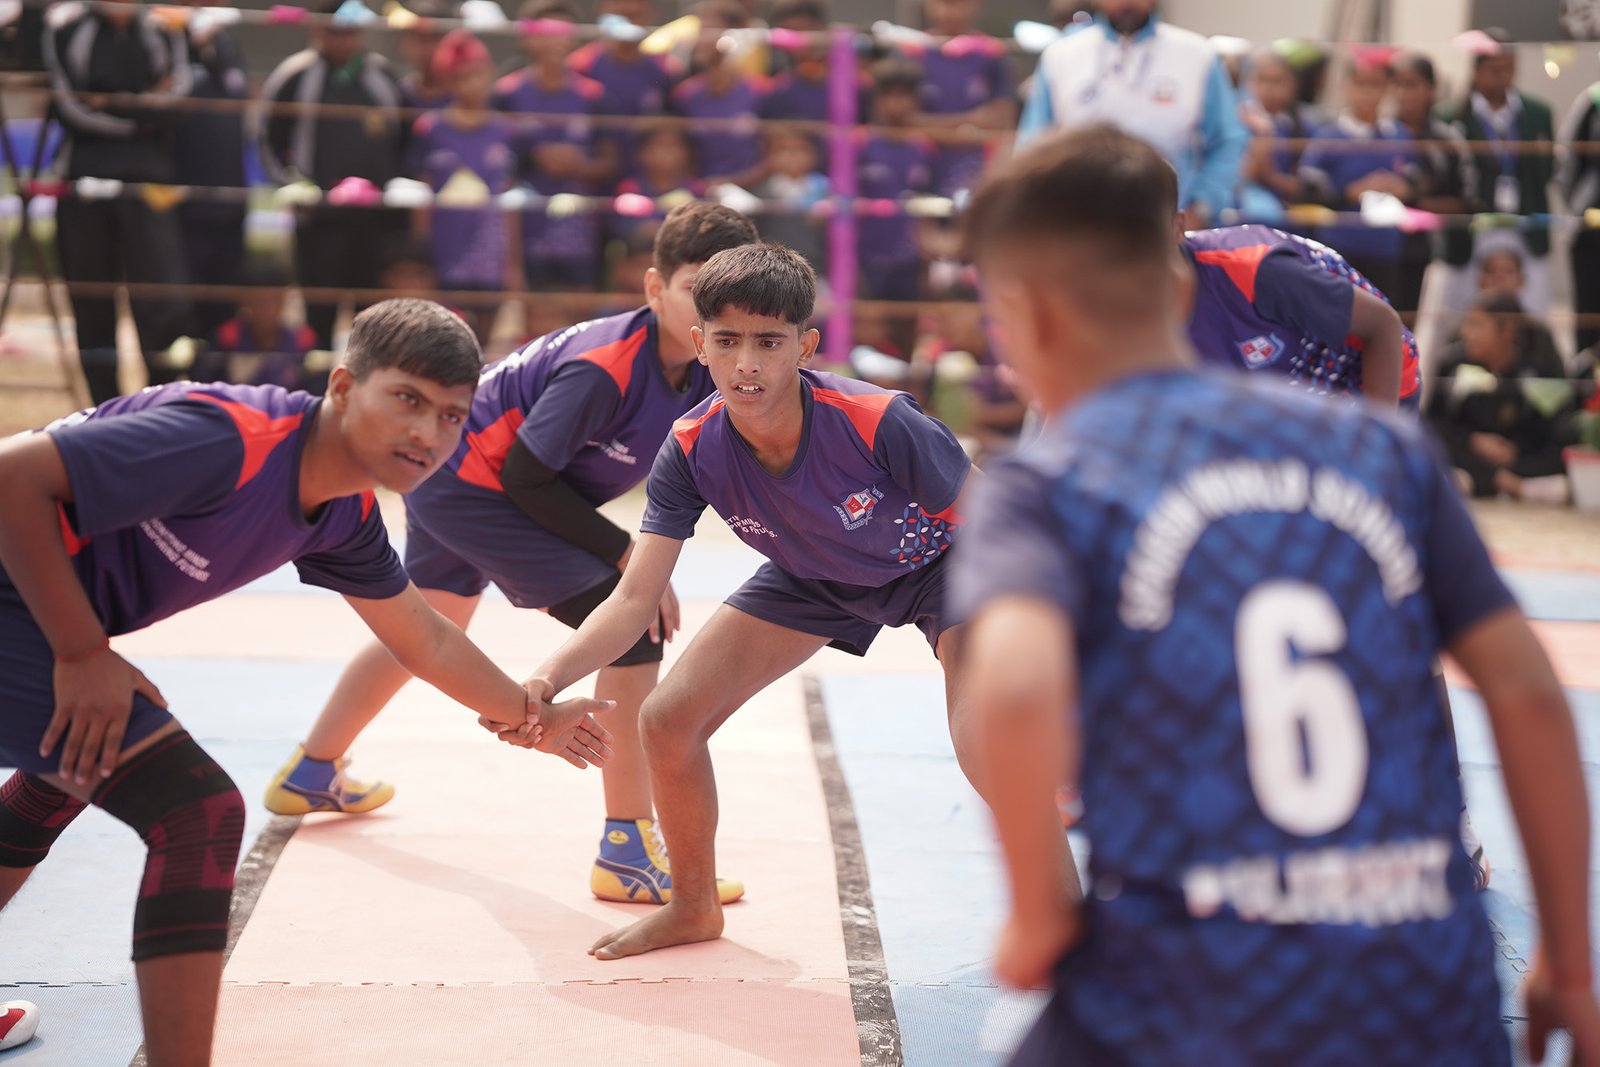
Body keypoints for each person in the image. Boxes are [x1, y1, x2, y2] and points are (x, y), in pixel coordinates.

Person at [952, 123, 1599, 1066]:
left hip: (1195, 993)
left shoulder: (1041, 486)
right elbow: (1530, 692)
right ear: (1177, 284)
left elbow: (1011, 694)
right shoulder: (1387, 456)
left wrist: (1036, 917)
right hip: (1425, 990)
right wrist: (1569, 959)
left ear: (1023, 323)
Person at [0, 300, 611, 1066]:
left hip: (28, 614)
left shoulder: (342, 514)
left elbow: (422, 636)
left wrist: (533, 715)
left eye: (452, 416)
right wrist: (83, 651)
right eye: (408, 399)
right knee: (198, 810)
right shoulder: (230, 437)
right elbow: (11, 477)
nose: (428, 432)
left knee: (72, 761)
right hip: (19, 604)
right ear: (345, 386)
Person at [503, 242, 1068, 960]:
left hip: (946, 567)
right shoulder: (691, 447)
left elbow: (1004, 532)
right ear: (699, 343)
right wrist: (546, 678)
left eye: (769, 343)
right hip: (813, 574)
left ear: (804, 346)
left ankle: (1074, 935)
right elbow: (634, 597)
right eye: (728, 341)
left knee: (984, 738)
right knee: (667, 720)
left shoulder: (876, 419)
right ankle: (694, 907)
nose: (747, 363)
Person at [265, 203, 759, 907]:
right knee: (631, 627)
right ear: (654, 288)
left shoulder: (705, 367)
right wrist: (625, 555)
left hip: (464, 483)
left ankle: (312, 771)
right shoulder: (604, 368)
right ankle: (626, 848)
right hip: (474, 485)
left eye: (728, 298)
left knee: (430, 620)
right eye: (694, 290)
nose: (711, 312)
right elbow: (527, 476)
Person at [43, 0, 196, 403]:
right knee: (91, 301)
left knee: (161, 300)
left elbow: (179, 101)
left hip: (151, 182)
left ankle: (159, 406)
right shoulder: (65, 25)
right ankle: (103, 409)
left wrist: (110, 101)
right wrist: (143, 110)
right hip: (84, 181)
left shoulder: (163, 28)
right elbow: (70, 107)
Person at [255, 0, 410, 350]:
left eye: (350, 32)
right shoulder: (295, 76)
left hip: (374, 221)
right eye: (334, 31)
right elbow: (266, 140)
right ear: (317, 29)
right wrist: (292, 184)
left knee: (373, 318)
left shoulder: (382, 76)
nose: (343, 40)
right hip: (318, 221)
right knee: (319, 314)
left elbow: (404, 138)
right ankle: (317, 377)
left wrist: (392, 186)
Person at [1018, 0, 1247, 228]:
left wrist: (1202, 206)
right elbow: (1033, 144)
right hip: (1078, 220)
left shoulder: (1197, 54)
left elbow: (1228, 139)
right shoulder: (1060, 56)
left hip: (1168, 220)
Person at [1183, 223, 1419, 408]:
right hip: (1280, 393)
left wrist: (1377, 440)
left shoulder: (1256, 270)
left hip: (1369, 374)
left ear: (1178, 225)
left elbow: (1382, 324)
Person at [1435, 29, 1556, 317]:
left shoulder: (1538, 113)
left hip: (1524, 222)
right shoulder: (1451, 115)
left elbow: (1548, 169)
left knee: (1532, 309)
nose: (1503, 77)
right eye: (1495, 70)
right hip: (1472, 227)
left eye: (1509, 69)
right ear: (1476, 70)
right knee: (1458, 310)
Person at [411, 30, 519, 346]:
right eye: (461, 78)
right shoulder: (430, 128)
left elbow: (511, 198)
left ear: (490, 74)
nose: (472, 85)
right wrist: (422, 256)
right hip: (446, 246)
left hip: (490, 249)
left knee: (484, 338)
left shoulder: (505, 130)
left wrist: (513, 263)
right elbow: (421, 195)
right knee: (443, 337)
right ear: (448, 81)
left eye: (478, 75)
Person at [495, 0, 610, 296]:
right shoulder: (507, 93)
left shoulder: (593, 95)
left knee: (581, 305)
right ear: (526, 37)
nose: (556, 40)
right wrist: (534, 158)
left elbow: (612, 161)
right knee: (533, 307)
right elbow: (494, 162)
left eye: (564, 32)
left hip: (581, 228)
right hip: (525, 226)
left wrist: (580, 166)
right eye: (546, 32)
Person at [1428, 291, 1577, 504]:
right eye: (1467, 324)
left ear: (1507, 331)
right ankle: (1509, 485)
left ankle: (1495, 482)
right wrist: (1473, 440)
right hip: (1467, 458)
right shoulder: (1452, 365)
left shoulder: (1536, 372)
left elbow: (1552, 429)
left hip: (1518, 461)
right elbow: (1434, 421)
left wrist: (1514, 450)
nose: (1466, 333)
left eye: (1477, 325)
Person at [1297, 52, 1416, 305]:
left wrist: (1402, 187)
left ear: (1388, 88)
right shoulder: (1328, 136)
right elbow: (1309, 187)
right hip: (1340, 243)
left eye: (1376, 85)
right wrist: (1348, 193)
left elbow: (1415, 178)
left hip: (1386, 246)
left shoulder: (1399, 134)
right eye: (1361, 84)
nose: (1368, 93)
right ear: (1347, 87)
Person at [1557, 71, 1600, 356]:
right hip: (1591, 233)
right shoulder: (1593, 100)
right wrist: (1580, 206)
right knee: (1589, 320)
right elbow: (1567, 161)